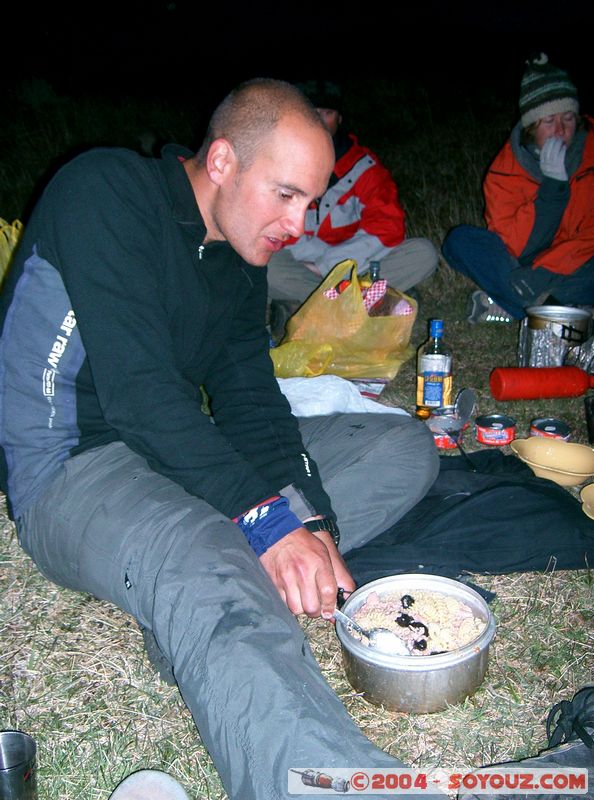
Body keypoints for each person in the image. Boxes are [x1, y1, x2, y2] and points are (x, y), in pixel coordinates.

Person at [0, 79, 442, 800]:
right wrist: (264, 519)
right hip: (70, 468)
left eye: (312, 201)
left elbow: (250, 402)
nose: (300, 226)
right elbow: (142, 399)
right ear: (223, 162)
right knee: (215, 549)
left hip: (173, 450)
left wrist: (310, 518)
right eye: (287, 196)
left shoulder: (240, 258)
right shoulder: (105, 192)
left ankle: (199, 595)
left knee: (400, 449)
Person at [266, 79, 438, 337]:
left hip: (355, 267)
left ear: (340, 118)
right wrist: (316, 261)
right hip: (303, 266)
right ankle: (366, 305)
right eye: (313, 113)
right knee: (264, 265)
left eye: (328, 113)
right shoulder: (280, 164)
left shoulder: (363, 167)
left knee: (424, 253)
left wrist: (329, 265)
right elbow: (274, 226)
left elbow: (388, 228)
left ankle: (309, 309)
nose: (320, 120)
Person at [442, 53, 594, 324]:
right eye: (548, 122)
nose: (561, 130)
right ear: (530, 127)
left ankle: (527, 307)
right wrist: (553, 189)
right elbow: (515, 247)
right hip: (524, 266)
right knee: (460, 242)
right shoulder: (504, 171)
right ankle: (559, 311)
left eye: (568, 118)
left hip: (573, 265)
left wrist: (544, 272)